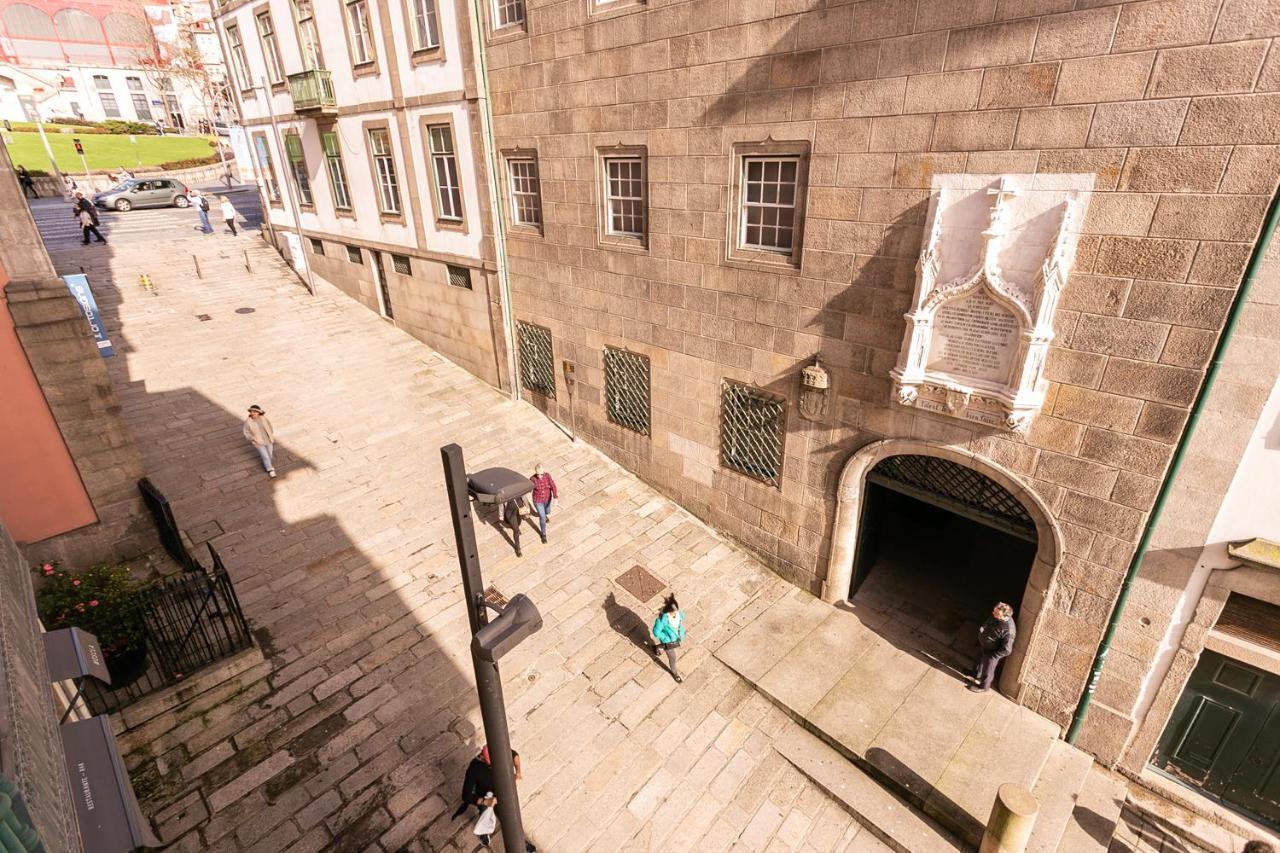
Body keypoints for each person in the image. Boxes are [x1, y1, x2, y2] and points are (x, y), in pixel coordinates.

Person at [451, 745, 535, 851]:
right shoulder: (474, 768)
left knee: (510, 820)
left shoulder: (500, 750)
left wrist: (518, 774)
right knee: (485, 816)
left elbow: (515, 755)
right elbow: (466, 795)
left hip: (501, 794)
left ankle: (522, 843)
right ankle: (484, 833)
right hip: (485, 797)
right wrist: (485, 801)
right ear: (483, 758)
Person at [970, 602, 1016, 693]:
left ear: (1005, 616)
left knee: (988, 670)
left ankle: (984, 687)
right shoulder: (996, 616)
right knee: (979, 660)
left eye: (996, 613)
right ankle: (975, 674)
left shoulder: (1008, 630)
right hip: (985, 645)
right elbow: (988, 621)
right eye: (994, 611)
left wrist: (993, 656)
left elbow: (1007, 649)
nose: (993, 613)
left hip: (992, 652)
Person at [650, 594, 686, 684]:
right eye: (673, 611)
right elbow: (656, 632)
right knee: (673, 657)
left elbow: (682, 617)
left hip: (677, 638)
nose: (676, 613)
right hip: (668, 641)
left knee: (666, 648)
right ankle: (675, 673)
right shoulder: (662, 620)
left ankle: (658, 647)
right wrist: (665, 638)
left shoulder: (678, 614)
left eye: (676, 610)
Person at [242, 404, 276, 478]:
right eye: (252, 411)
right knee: (266, 456)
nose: (253, 413)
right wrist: (253, 438)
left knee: (269, 455)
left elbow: (269, 425)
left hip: (268, 439)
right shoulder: (248, 422)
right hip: (258, 442)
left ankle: (265, 461)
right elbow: (246, 432)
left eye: (255, 412)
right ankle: (270, 470)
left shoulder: (263, 418)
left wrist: (271, 433)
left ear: (259, 412)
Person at [528, 463, 557, 545]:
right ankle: (543, 534)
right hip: (538, 501)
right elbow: (528, 488)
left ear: (543, 471)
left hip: (547, 499)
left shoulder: (547, 476)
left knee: (547, 511)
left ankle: (545, 515)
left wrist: (555, 497)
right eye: (538, 474)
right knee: (542, 517)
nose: (539, 476)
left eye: (541, 474)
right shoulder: (532, 479)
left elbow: (553, 486)